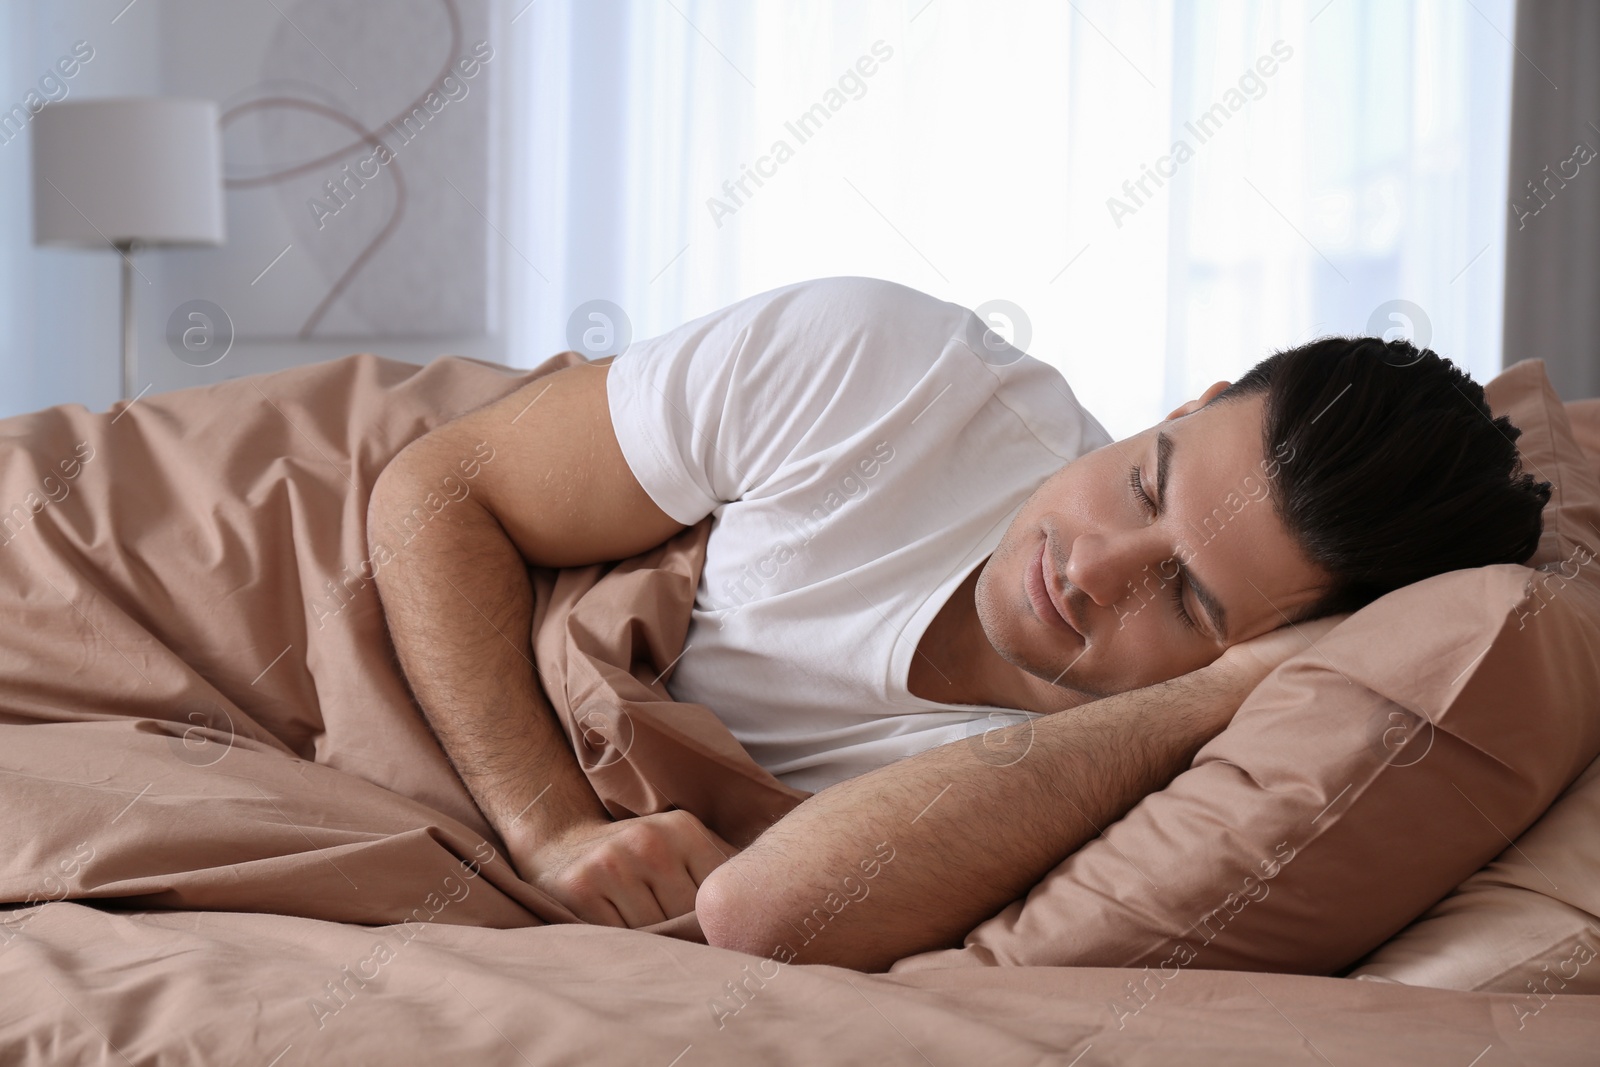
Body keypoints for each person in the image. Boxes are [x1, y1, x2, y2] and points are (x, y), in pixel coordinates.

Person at [368, 277, 1549, 971]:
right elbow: (436, 491)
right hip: (346, 552)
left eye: (1187, 597)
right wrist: (551, 826)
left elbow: (762, 912)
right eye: (1145, 483)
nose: (1089, 567)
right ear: (1182, 407)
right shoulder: (881, 370)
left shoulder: (1153, 781)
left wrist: (1208, 698)